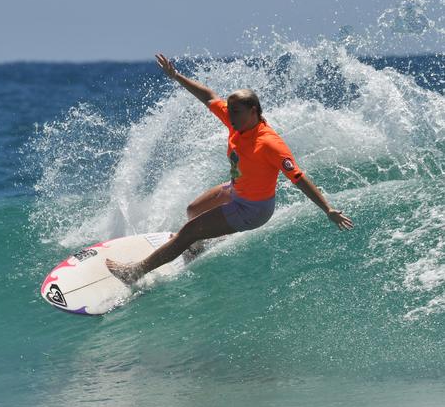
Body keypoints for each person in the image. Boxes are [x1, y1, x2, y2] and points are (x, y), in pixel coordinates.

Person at [106, 53, 354, 285]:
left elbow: (298, 178)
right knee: (192, 210)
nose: (229, 114)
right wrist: (176, 76)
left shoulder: (269, 143)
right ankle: (196, 246)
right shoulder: (237, 121)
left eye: (235, 111)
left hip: (253, 209)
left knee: (189, 231)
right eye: (230, 110)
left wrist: (328, 209)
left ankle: (134, 273)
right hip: (236, 190)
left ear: (253, 111)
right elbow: (209, 97)